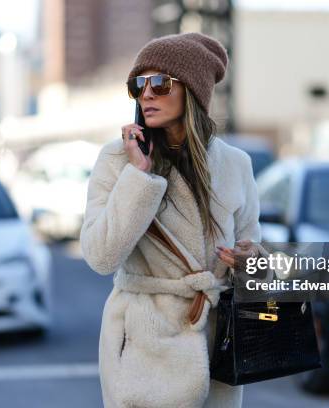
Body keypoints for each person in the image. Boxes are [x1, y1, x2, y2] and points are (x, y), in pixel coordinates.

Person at [80, 32, 265, 408]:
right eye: (138, 84)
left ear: (192, 92)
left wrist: (252, 263)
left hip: (216, 350)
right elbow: (100, 256)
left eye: (160, 83)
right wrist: (140, 176)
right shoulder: (118, 160)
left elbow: (255, 261)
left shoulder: (235, 165)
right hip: (143, 351)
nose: (146, 94)